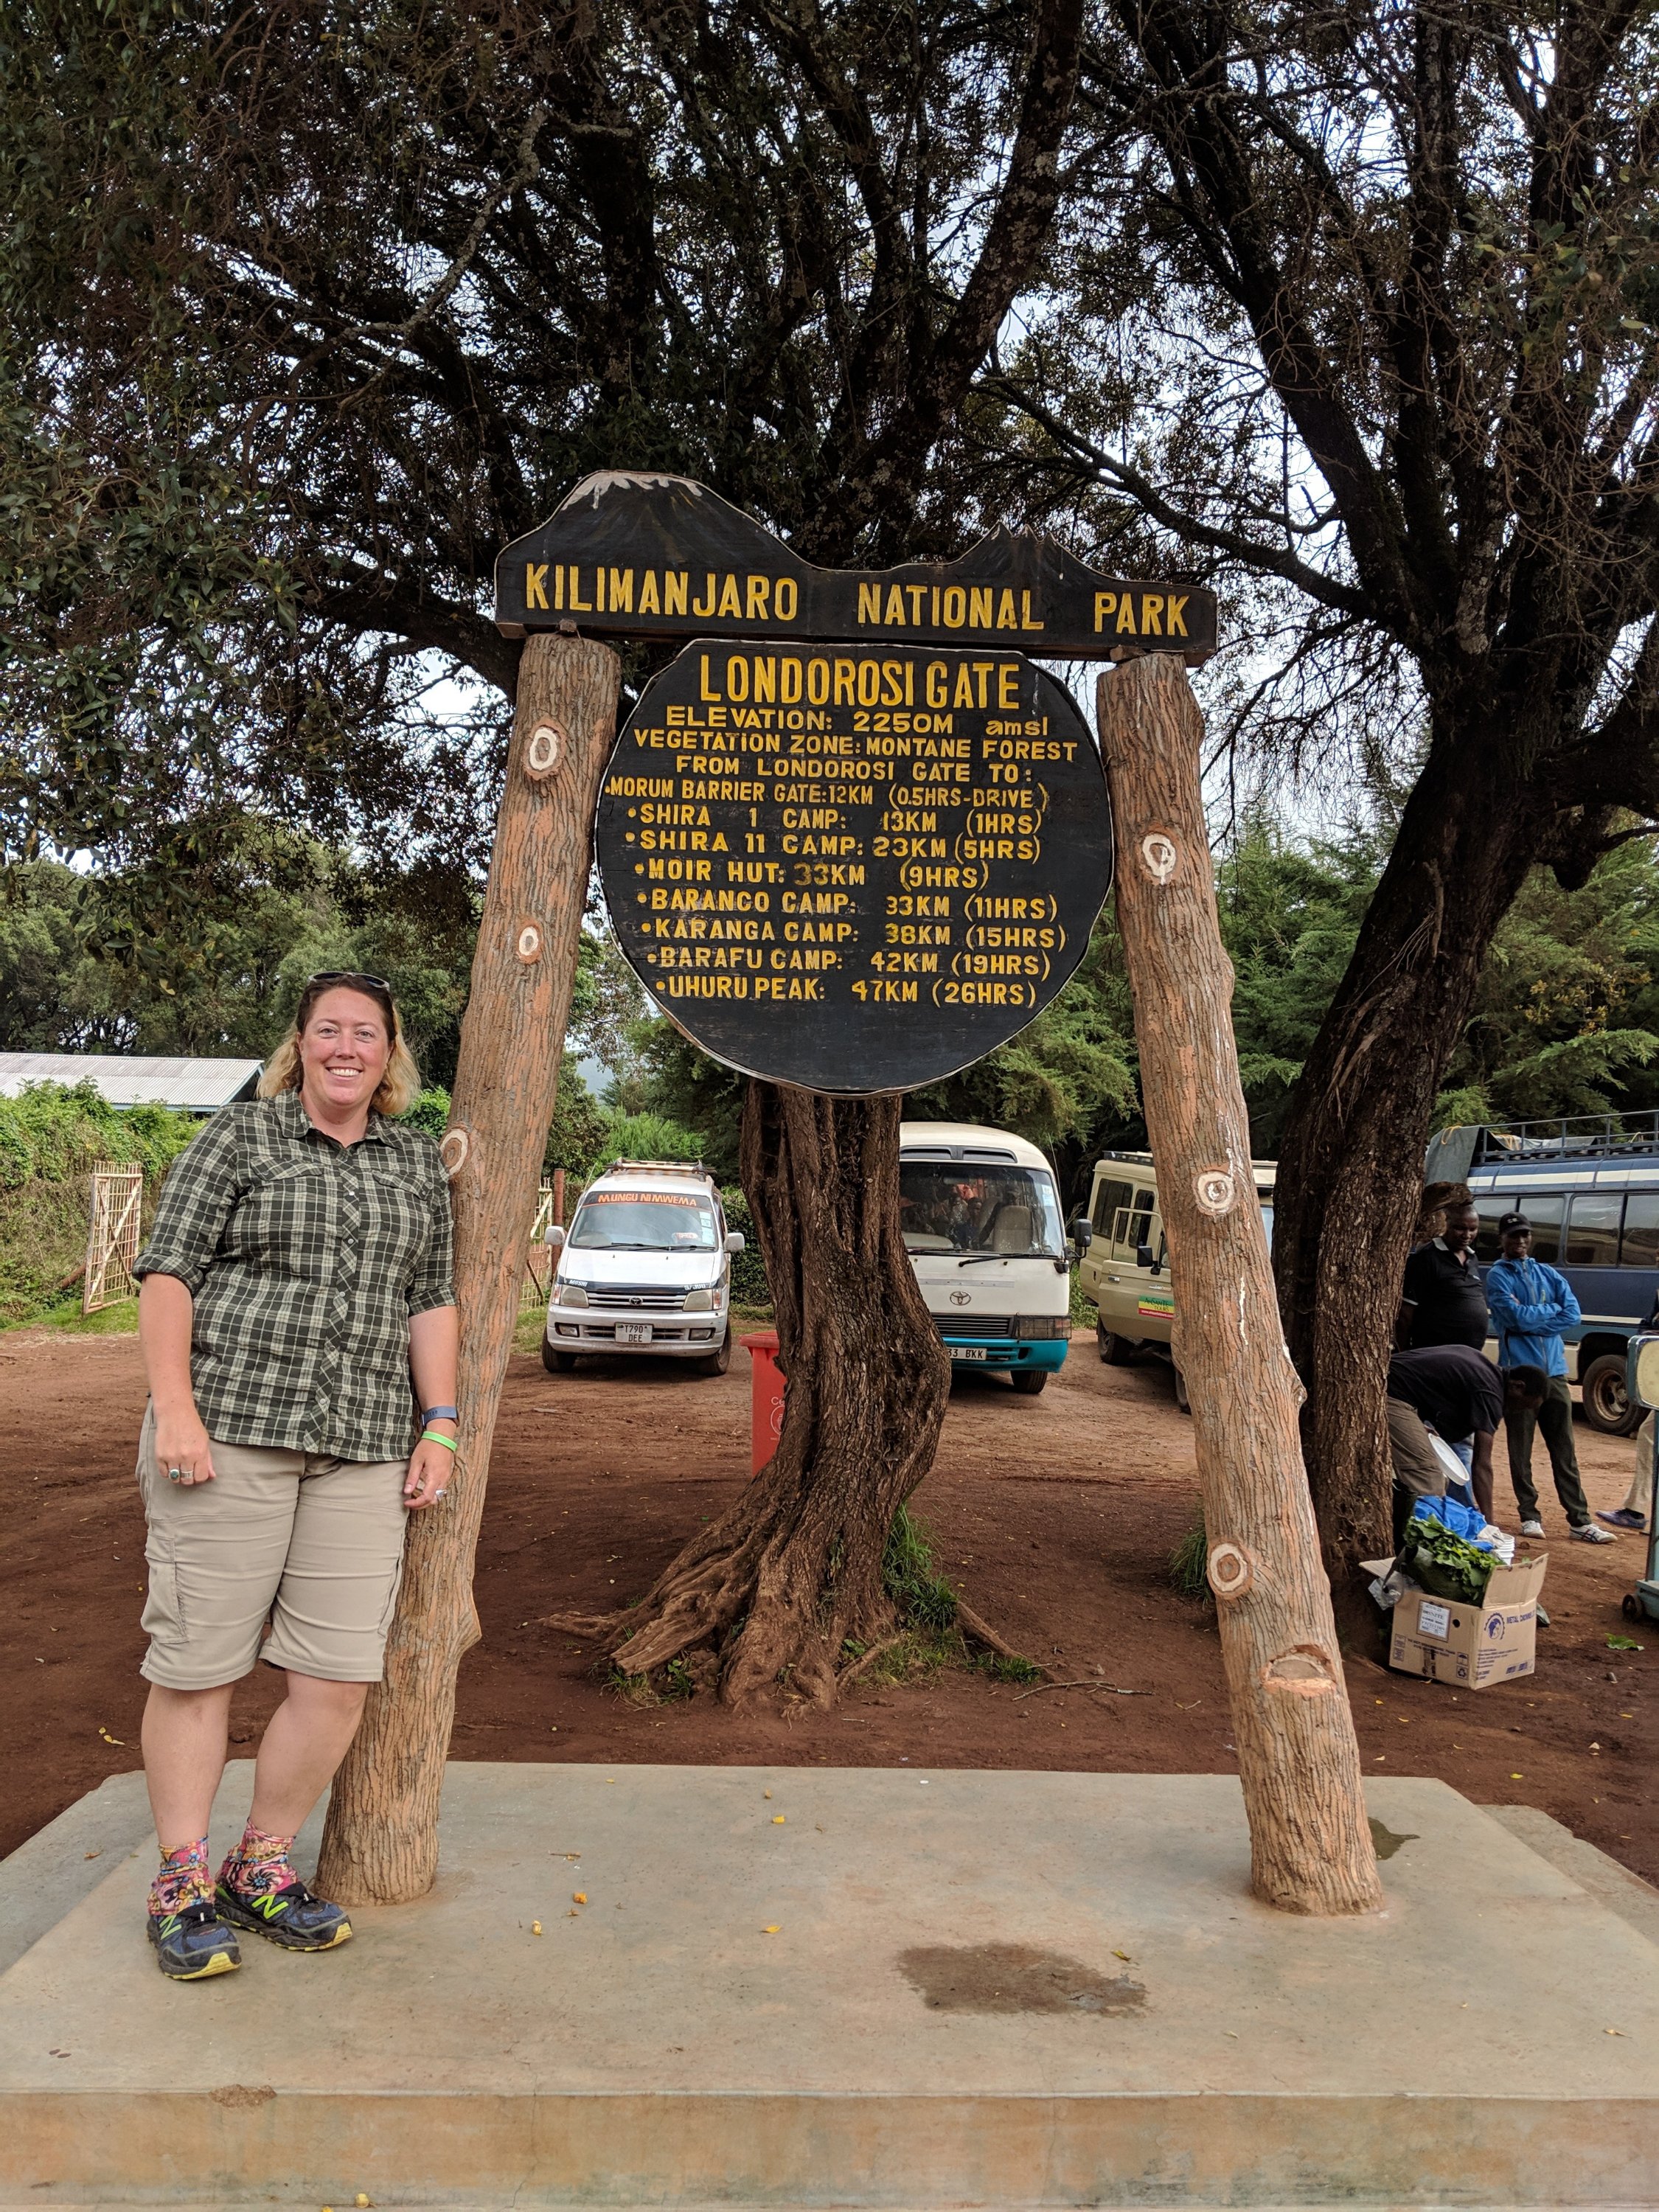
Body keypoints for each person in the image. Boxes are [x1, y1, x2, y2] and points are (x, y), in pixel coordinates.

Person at [131, 972, 458, 1981]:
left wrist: (442, 1424)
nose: (345, 1047)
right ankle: (180, 1881)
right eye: (328, 1030)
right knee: (198, 1669)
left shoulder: (413, 1161)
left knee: (337, 1678)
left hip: (363, 1445)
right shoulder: (242, 1138)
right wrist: (175, 1408)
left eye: (365, 1033)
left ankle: (258, 1867)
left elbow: (429, 1296)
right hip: (227, 1435)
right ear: (300, 1046)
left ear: (390, 1053)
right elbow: (169, 1272)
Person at [1485, 1212, 1615, 1545]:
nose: (1520, 1241)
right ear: (1502, 1239)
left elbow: (1572, 1314)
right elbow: (1513, 1317)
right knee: (1520, 1451)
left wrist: (1533, 1319)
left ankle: (1580, 1520)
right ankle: (1529, 1516)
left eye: (1525, 1235)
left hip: (1555, 1373)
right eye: (1514, 1235)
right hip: (1520, 1377)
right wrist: (1549, 1312)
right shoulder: (1498, 1276)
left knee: (1564, 1450)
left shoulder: (1547, 1273)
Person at [1385, 1343, 1544, 1528]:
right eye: (1524, 1406)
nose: (1518, 1411)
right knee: (1428, 1478)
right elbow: (1482, 1465)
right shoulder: (1490, 1392)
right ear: (1518, 1386)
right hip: (1390, 1393)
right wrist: (1489, 1525)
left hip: (1393, 1386)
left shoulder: (1484, 1368)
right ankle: (1415, 1539)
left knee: (1437, 1474)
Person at [1398, 1199, 1488, 1351]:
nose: (1467, 1235)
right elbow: (1406, 1312)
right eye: (1460, 1228)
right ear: (1446, 1224)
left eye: (1473, 1229)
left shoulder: (1473, 1259)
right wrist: (1403, 1351)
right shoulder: (1427, 1258)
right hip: (1435, 1352)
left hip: (1468, 1354)